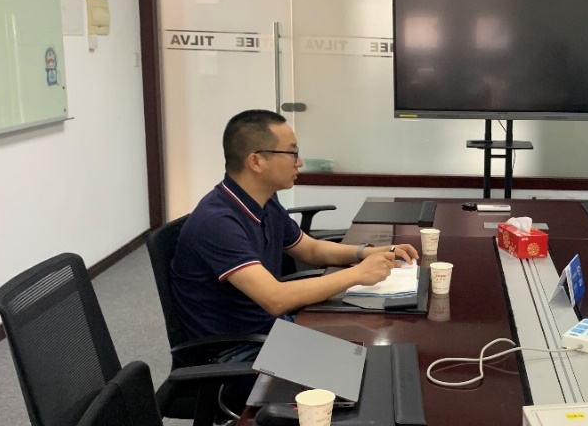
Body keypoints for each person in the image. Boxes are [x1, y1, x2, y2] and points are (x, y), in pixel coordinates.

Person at [171, 109, 419, 358]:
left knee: (371, 346)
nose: (299, 162)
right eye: (292, 153)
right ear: (256, 161)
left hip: (273, 332)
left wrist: (368, 252)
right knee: (367, 363)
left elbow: (310, 249)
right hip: (237, 353)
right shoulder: (218, 222)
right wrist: (357, 274)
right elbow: (275, 299)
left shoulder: (264, 201)